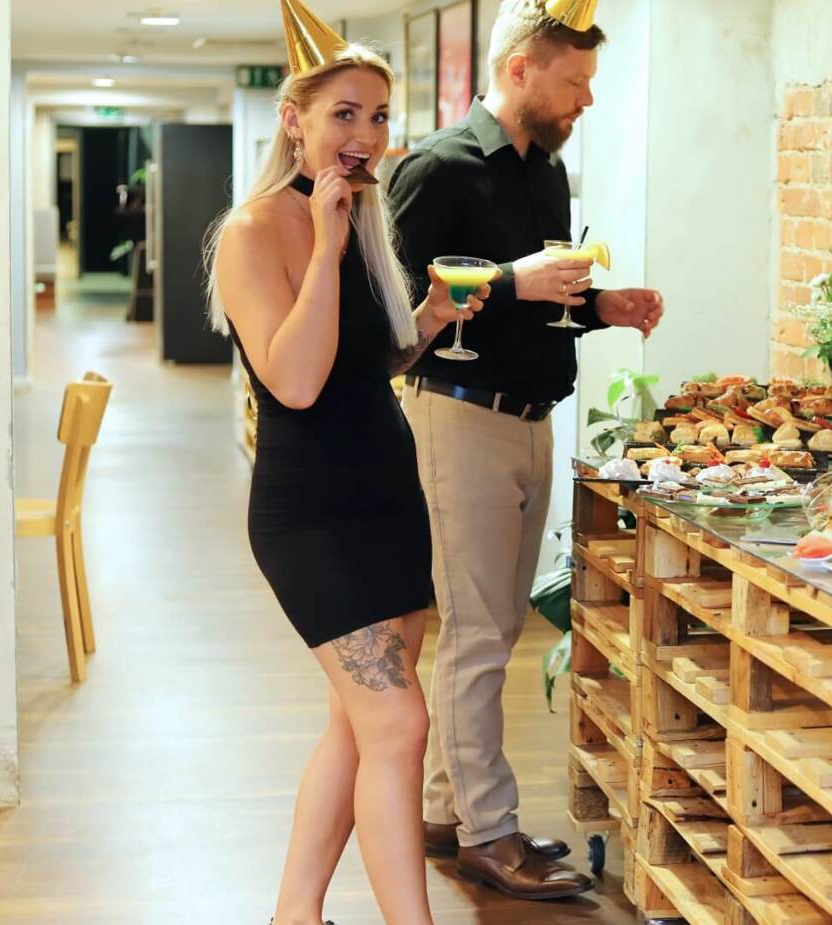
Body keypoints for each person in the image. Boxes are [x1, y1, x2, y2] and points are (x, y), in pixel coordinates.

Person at [205, 2, 492, 922]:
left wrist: (431, 318)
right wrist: (326, 248)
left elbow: (366, 364)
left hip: (387, 498)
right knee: (400, 723)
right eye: (343, 114)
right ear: (295, 120)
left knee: (359, 723)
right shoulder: (255, 232)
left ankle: (295, 913)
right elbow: (295, 382)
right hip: (311, 514)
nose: (364, 134)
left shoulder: (366, 222)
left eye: (377, 115)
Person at [388, 0, 664, 901]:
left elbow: (540, 303)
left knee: (496, 625)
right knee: (477, 631)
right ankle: (490, 834)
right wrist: (513, 280)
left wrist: (601, 307)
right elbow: (398, 310)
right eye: (574, 81)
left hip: (534, 417)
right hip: (458, 415)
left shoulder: (547, 171)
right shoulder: (435, 168)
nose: (587, 99)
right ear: (519, 71)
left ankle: (445, 811)